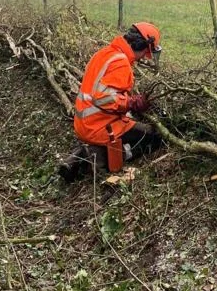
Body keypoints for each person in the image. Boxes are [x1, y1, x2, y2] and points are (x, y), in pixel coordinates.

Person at [57, 22, 165, 182]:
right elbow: (103, 98)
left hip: (84, 123)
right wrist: (131, 103)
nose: (144, 57)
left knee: (135, 128)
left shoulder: (105, 53)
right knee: (154, 137)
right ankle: (100, 158)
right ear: (145, 48)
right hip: (100, 126)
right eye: (146, 54)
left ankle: (82, 153)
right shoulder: (121, 63)